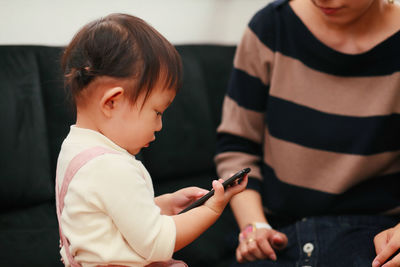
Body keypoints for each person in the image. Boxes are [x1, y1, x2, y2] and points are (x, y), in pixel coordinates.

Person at [214, 0, 400, 266]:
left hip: (375, 236)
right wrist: (254, 227)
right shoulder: (270, 27)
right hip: (275, 233)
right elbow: (237, 147)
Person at [55, 13, 248, 267]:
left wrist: (164, 204)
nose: (159, 125)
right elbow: (157, 243)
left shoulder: (75, 147)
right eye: (157, 112)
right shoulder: (110, 167)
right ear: (112, 102)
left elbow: (109, 219)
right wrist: (211, 210)